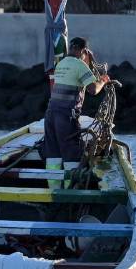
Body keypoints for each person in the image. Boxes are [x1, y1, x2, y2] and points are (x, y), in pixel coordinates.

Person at [44, 37, 109, 188]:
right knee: (71, 153)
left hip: (50, 115)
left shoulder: (61, 64)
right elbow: (93, 89)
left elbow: (75, 76)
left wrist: (87, 62)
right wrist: (103, 80)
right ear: (84, 51)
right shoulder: (80, 65)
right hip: (66, 117)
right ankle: (68, 191)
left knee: (53, 155)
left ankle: (54, 190)